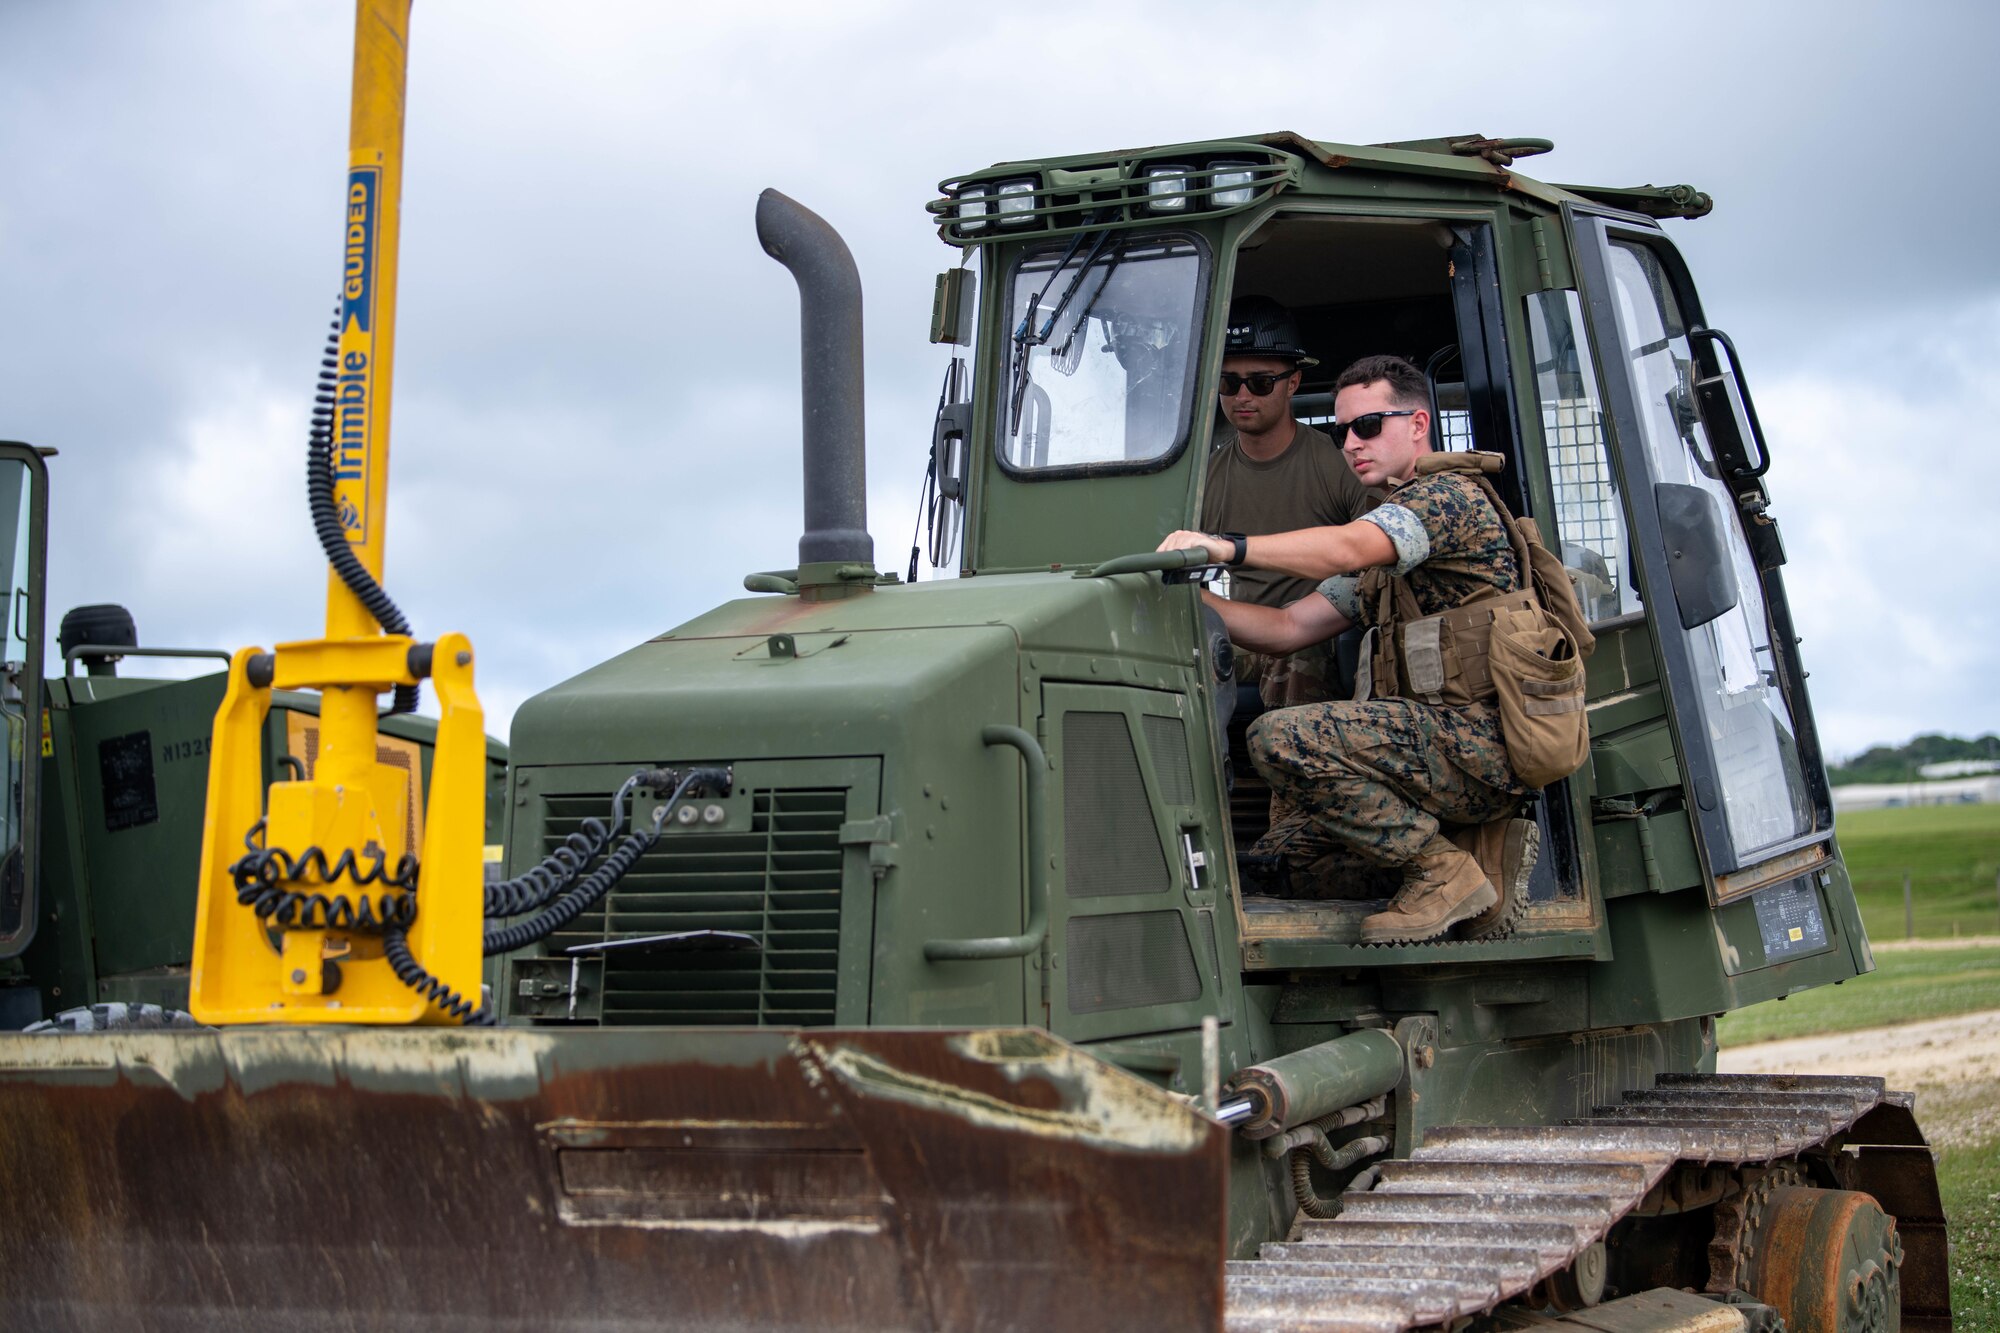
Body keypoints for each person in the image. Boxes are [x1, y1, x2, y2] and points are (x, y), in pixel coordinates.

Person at [1160, 354, 1530, 944]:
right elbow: (1286, 628)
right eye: (1341, 431)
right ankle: (1473, 861)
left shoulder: (1445, 500)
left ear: (1417, 425)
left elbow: (1346, 548)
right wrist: (1178, 598)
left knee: (1277, 738)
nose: (1352, 443)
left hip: (1478, 745)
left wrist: (1225, 549)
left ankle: (1442, 871)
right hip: (1427, 750)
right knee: (1284, 863)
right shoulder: (1391, 544)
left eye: (1368, 425)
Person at [1202, 296, 1372, 708]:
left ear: (1292, 383)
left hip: (1320, 632)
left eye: (1260, 382)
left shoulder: (1341, 462)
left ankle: (1296, 768)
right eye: (1228, 382)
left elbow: (1371, 565)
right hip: (1241, 633)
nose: (1242, 396)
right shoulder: (1206, 478)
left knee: (1296, 653)